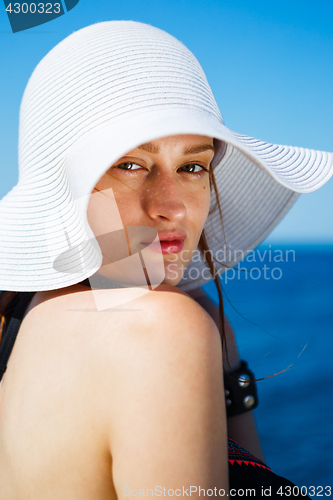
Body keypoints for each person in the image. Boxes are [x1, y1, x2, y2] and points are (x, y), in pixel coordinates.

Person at [0, 21, 332, 499]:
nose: (172, 204)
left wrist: (225, 353)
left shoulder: (22, 315)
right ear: (66, 190)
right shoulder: (158, 329)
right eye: (131, 164)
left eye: (192, 166)